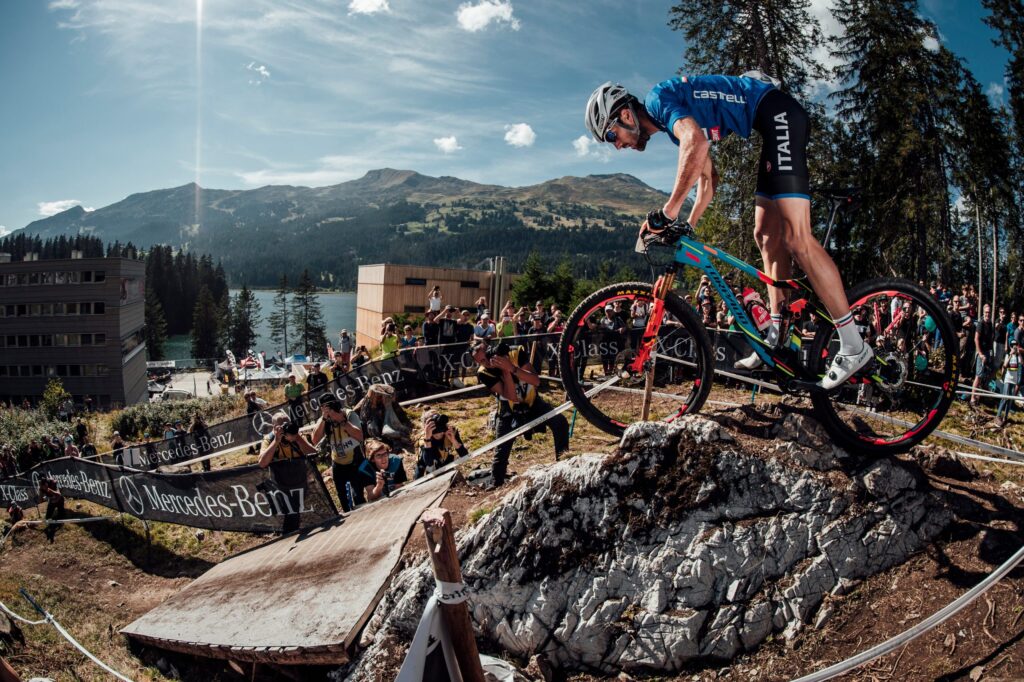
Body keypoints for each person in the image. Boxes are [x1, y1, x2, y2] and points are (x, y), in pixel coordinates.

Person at [585, 75, 869, 389]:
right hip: (772, 125)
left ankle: (854, 344)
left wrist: (667, 213)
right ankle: (776, 334)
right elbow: (708, 179)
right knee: (763, 234)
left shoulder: (658, 100)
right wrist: (687, 225)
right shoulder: (671, 124)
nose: (618, 145)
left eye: (612, 135)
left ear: (625, 115)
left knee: (796, 238)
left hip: (779, 116)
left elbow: (697, 142)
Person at [473, 339, 569, 488]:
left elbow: (535, 381)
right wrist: (505, 372)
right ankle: (496, 480)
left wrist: (511, 367)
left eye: (486, 357)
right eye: (481, 362)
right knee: (502, 445)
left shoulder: (515, 352)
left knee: (560, 421)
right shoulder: (483, 373)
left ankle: (563, 465)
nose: (487, 363)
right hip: (509, 409)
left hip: (533, 402)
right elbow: (510, 396)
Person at [312, 393, 365, 511]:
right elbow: (315, 440)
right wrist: (324, 418)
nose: (329, 409)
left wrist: (342, 421)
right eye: (325, 406)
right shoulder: (323, 420)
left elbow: (360, 436)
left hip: (355, 459)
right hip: (337, 462)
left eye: (330, 405)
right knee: (343, 498)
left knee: (358, 495)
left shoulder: (348, 414)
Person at [416, 412, 468, 478]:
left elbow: (465, 456)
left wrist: (453, 440)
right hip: (425, 473)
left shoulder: (450, 432)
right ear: (425, 427)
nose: (439, 433)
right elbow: (428, 463)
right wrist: (427, 440)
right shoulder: (423, 439)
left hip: (444, 465)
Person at [971, 303, 995, 406]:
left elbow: (990, 339)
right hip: (981, 353)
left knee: (984, 376)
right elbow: (976, 339)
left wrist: (991, 352)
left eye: (989, 312)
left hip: (987, 352)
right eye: (986, 312)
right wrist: (980, 354)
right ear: (983, 312)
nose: (987, 314)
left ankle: (979, 398)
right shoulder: (981, 323)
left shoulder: (990, 324)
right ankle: (972, 398)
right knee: (978, 375)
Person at [996, 341, 1021, 425]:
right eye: (1013, 346)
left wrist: (1019, 353)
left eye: (1015, 346)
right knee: (1005, 398)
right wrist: (1010, 355)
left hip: (1014, 380)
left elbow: (1022, 363)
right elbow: (1005, 366)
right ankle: (998, 415)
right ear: (1010, 347)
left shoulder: (1018, 356)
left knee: (1010, 400)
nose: (1014, 347)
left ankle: (1005, 417)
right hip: (1008, 379)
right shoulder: (1008, 355)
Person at [39, 477, 64, 543]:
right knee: (47, 517)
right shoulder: (42, 488)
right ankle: (52, 524)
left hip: (59, 499)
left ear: (46, 484)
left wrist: (50, 491)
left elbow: (59, 495)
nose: (43, 488)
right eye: (42, 486)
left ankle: (60, 514)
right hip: (52, 501)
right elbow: (40, 500)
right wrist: (41, 492)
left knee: (61, 516)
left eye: (44, 486)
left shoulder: (53, 482)